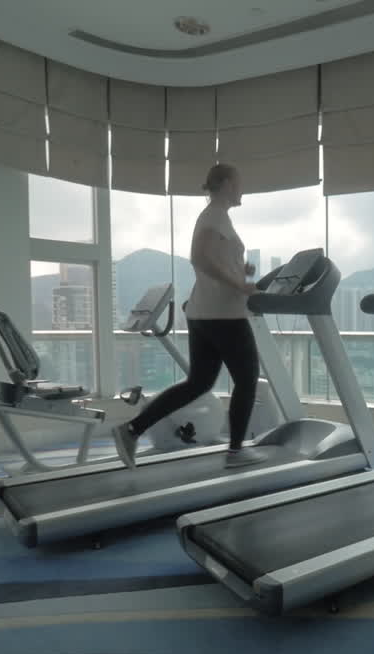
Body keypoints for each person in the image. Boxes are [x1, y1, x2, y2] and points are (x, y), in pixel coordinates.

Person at [112, 163, 267, 469]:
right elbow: (199, 257)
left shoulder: (217, 218)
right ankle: (236, 452)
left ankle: (132, 430)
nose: (242, 190)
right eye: (239, 183)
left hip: (203, 314)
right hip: (224, 315)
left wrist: (241, 269)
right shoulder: (213, 216)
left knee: (199, 383)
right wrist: (238, 283)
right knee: (247, 380)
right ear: (224, 184)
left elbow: (214, 260)